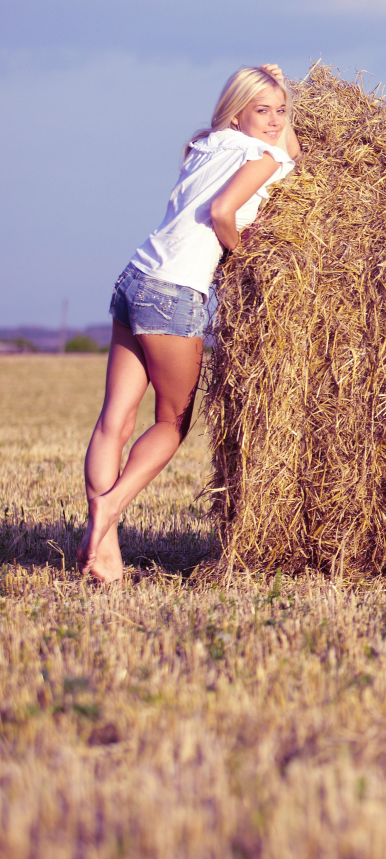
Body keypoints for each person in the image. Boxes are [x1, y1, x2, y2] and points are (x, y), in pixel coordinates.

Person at [77, 64, 300, 582]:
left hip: (134, 279)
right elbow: (227, 207)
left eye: (280, 111)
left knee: (115, 419)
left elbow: (276, 140)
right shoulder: (262, 155)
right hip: (175, 293)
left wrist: (275, 86)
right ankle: (109, 512)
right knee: (171, 422)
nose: (274, 121)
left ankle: (104, 553)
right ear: (238, 113)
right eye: (261, 111)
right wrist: (239, 256)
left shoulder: (209, 143)